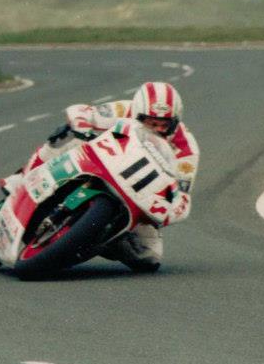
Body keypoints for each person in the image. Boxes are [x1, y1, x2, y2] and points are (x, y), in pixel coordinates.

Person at [12, 82, 199, 272]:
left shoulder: (186, 149)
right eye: (151, 122)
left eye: (164, 124)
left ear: (175, 121)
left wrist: (168, 213)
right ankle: (25, 176)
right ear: (137, 114)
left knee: (148, 258)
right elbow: (81, 111)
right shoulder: (124, 109)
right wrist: (82, 125)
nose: (157, 128)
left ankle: (108, 238)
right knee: (69, 136)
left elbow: (182, 195)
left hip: (137, 196)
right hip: (98, 164)